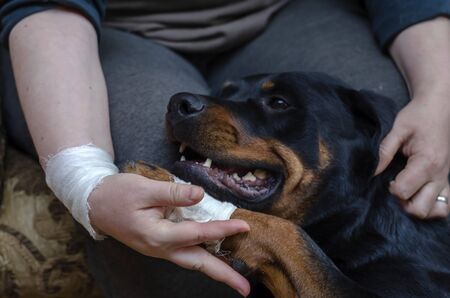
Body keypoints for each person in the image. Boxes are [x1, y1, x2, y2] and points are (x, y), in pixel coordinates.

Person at [1, 0, 449, 297]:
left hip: (291, 9)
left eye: (275, 104)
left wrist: (441, 93)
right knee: (155, 196)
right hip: (98, 27)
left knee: (400, 147)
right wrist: (84, 181)